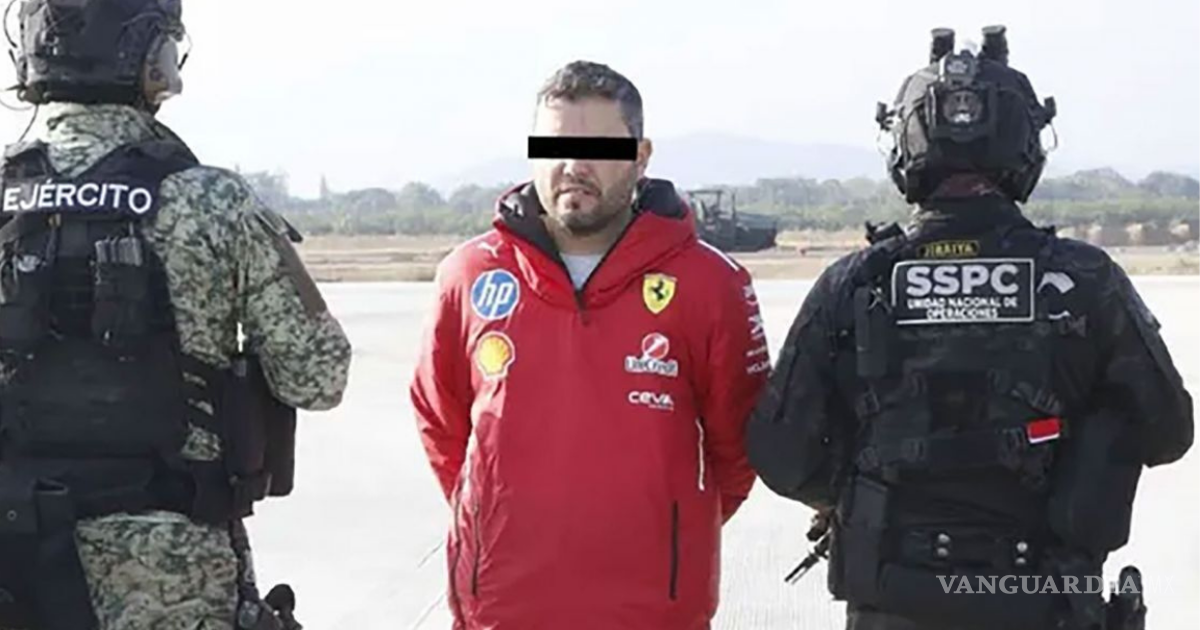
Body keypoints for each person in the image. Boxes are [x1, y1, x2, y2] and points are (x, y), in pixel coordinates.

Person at [745, 26, 1193, 630]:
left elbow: (781, 454)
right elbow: (1168, 430)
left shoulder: (851, 284)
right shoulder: (1085, 281)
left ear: (904, 142)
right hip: (1046, 597)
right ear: (1026, 143)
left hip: (892, 596)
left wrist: (859, 483)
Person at [0, 1, 352, 629]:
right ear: (153, 60)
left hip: (17, 565)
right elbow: (318, 376)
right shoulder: (211, 201)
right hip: (172, 579)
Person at [410, 60, 769, 630]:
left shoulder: (711, 283)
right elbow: (440, 418)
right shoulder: (469, 275)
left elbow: (739, 447)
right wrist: (492, 517)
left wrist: (667, 533)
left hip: (652, 613)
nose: (573, 167)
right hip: (503, 608)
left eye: (597, 148)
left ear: (640, 156)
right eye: (554, 147)